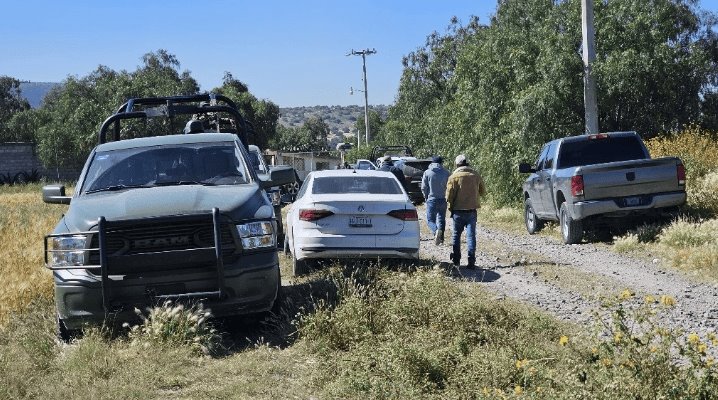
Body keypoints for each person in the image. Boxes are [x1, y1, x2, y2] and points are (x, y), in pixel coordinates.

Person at [446, 154, 486, 269]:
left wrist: (451, 208)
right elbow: (483, 191)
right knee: (471, 236)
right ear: (467, 163)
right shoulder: (475, 175)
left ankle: (456, 260)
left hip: (458, 211)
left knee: (456, 235)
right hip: (472, 211)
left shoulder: (453, 177)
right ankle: (471, 261)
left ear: (457, 164)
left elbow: (448, 196)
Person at [421, 156, 450, 245]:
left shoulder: (427, 172)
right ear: (441, 163)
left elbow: (424, 187)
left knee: (430, 220)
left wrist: (426, 198)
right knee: (441, 219)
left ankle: (436, 231)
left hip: (431, 199)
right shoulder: (446, 172)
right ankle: (441, 239)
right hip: (442, 199)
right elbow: (449, 186)